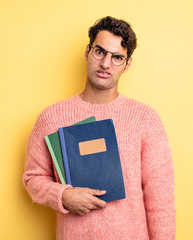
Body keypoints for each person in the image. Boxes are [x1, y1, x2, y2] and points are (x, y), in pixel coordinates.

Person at [23, 16, 176, 240]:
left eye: (117, 57)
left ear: (128, 64)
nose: (105, 63)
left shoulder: (145, 118)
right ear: (87, 52)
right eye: (99, 52)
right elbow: (33, 177)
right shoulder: (51, 117)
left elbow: (161, 199)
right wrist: (62, 195)